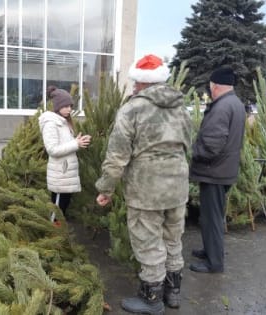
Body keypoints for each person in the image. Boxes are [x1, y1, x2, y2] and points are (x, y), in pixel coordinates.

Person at [95, 54, 192, 314]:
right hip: (178, 185)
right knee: (173, 239)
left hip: (146, 188)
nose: (134, 86)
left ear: (141, 81)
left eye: (135, 82)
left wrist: (106, 188)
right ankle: (173, 293)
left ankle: (151, 299)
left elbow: (117, 155)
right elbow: (187, 145)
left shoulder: (133, 108)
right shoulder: (181, 107)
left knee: (148, 242)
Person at [189, 66, 246, 273]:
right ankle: (209, 250)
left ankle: (214, 262)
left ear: (216, 86)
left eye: (210, 86)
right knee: (212, 215)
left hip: (214, 172)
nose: (209, 90)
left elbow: (212, 144)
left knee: (211, 217)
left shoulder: (222, 107)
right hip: (223, 170)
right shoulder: (235, 103)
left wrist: (195, 152)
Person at [39, 86, 91, 217]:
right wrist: (75, 144)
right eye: (65, 106)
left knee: (64, 205)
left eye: (70, 106)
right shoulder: (51, 124)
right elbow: (52, 149)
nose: (69, 109)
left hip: (66, 172)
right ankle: (53, 232)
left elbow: (65, 144)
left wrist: (78, 141)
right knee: (57, 208)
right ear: (57, 106)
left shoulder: (63, 122)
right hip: (60, 173)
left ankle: (59, 231)